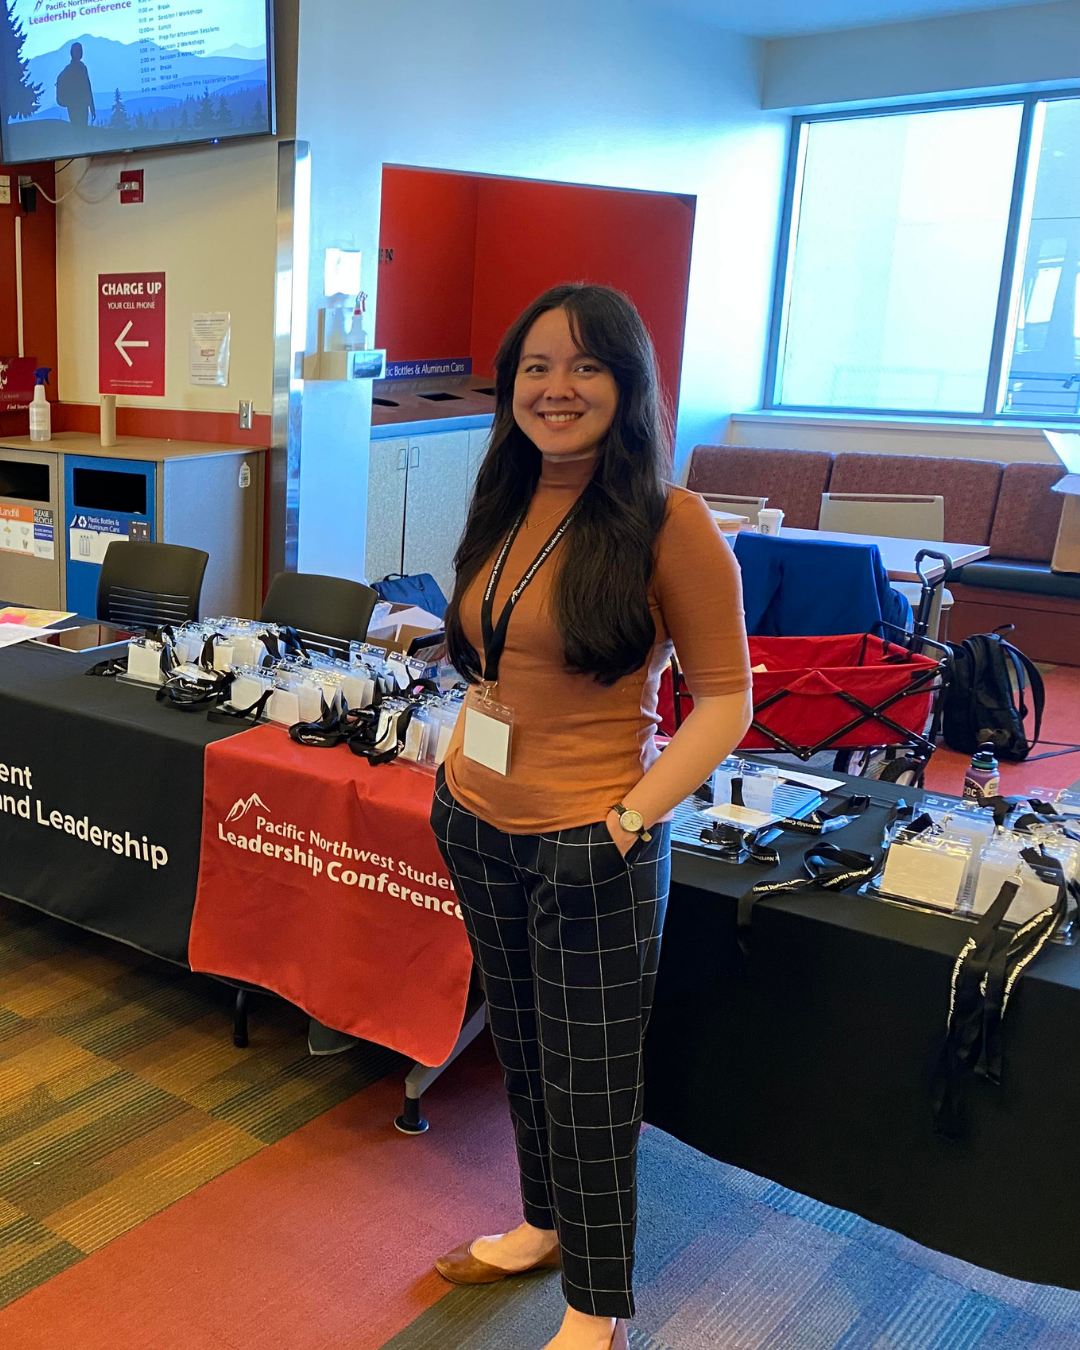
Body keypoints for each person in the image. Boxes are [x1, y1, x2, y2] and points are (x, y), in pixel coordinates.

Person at [429, 283, 753, 1350]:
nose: (555, 388)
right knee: (520, 1046)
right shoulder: (505, 496)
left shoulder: (671, 521)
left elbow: (726, 700)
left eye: (584, 367)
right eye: (534, 366)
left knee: (593, 1075)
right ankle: (539, 1223)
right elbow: (502, 649)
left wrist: (625, 821)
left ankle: (598, 1303)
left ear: (628, 385)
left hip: (594, 839)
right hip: (476, 815)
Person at [56, 44, 95, 128]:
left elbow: (88, 88)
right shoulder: (80, 68)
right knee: (80, 129)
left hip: (75, 105)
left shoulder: (71, 69)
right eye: (77, 51)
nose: (79, 54)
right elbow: (87, 89)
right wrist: (91, 107)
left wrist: (92, 107)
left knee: (78, 129)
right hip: (78, 104)